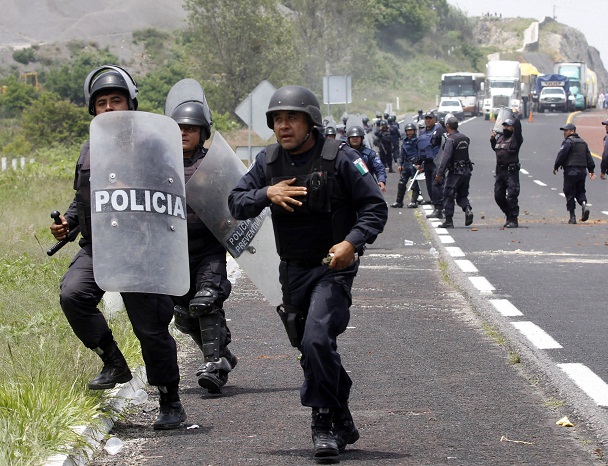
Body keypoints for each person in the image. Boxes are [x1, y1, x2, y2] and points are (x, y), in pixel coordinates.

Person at [228, 85, 388, 460]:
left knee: (317, 339)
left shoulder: (340, 158)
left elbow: (374, 209)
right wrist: (265, 194)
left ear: (310, 121)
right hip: (292, 271)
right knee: (310, 349)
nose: (284, 126)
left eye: (292, 118)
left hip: (333, 268)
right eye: (277, 120)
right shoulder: (267, 162)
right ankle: (342, 411)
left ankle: (323, 423)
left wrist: (352, 243)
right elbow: (236, 202)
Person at [49, 65, 185, 430]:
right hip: (100, 245)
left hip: (142, 248)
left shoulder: (154, 143)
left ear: (131, 104)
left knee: (151, 329)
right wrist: (68, 223)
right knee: (73, 294)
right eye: (102, 103)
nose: (109, 108)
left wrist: (135, 184)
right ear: (93, 110)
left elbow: (172, 191)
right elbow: (83, 198)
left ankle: (170, 399)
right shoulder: (89, 149)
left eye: (116, 100)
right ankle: (113, 361)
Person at [166, 84, 237, 394]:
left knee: (206, 300)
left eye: (191, 128)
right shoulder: (159, 163)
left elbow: (236, 197)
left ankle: (214, 366)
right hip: (172, 251)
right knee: (182, 315)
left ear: (202, 131)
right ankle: (222, 353)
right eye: (179, 127)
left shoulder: (214, 162)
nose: (184, 133)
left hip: (207, 249)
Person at [433, 116, 474, 228]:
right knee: (462, 195)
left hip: (455, 172)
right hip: (466, 171)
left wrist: (439, 173)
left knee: (448, 194)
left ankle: (449, 220)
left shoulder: (450, 140)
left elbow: (446, 158)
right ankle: (468, 209)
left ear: (447, 126)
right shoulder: (465, 138)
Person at [553, 123, 596, 224]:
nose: (564, 133)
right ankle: (584, 205)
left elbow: (561, 155)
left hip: (571, 171)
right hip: (582, 171)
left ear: (572, 131)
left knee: (569, 192)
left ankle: (572, 216)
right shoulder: (583, 143)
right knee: (580, 190)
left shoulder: (568, 142)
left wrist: (556, 166)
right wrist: (591, 170)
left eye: (566, 130)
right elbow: (589, 158)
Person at [490, 117, 523, 228]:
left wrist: (515, 116)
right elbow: (496, 149)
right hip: (500, 171)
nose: (506, 128)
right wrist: (492, 139)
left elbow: (518, 128)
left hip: (511, 172)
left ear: (513, 128)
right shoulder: (499, 138)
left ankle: (513, 219)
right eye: (504, 126)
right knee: (498, 196)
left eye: (509, 126)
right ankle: (508, 214)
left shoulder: (516, 138)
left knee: (512, 196)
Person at [346, 125, 387, 193]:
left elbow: (379, 168)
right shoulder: (344, 154)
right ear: (348, 138)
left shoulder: (369, 154)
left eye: (357, 137)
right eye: (352, 137)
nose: (355, 139)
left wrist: (381, 180)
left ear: (362, 138)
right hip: (349, 188)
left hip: (367, 187)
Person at [418, 111, 445, 208]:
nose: (428, 120)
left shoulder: (439, 130)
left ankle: (439, 208)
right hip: (426, 163)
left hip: (436, 163)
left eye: (430, 118)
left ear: (435, 119)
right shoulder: (422, 132)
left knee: (436, 186)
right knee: (429, 188)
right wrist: (419, 162)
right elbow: (420, 147)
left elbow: (445, 144)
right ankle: (436, 206)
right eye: (426, 118)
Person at [391, 122, 420, 208]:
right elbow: (402, 154)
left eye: (411, 130)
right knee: (401, 183)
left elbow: (420, 152)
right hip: (406, 164)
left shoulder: (417, 141)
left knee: (414, 184)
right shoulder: (405, 141)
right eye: (408, 131)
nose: (410, 132)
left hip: (414, 164)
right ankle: (399, 201)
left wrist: (419, 163)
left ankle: (413, 202)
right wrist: (400, 164)